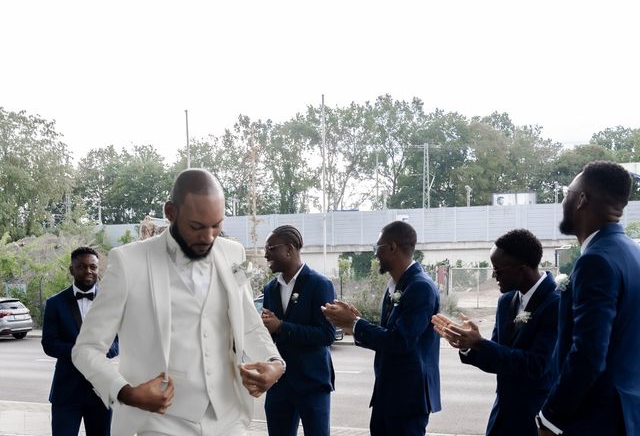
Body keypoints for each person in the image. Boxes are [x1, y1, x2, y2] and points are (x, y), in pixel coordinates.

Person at [72, 168, 284, 436]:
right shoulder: (128, 263)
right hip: (159, 422)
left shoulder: (233, 253)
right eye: (196, 226)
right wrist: (127, 393)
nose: (208, 237)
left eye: (216, 226)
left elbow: (248, 325)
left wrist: (275, 363)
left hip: (228, 418)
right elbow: (86, 349)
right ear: (170, 212)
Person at [537, 161, 640, 435]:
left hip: (597, 418)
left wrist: (550, 416)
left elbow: (589, 353)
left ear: (581, 199)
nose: (564, 200)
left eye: (566, 193)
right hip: (628, 412)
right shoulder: (632, 252)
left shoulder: (596, 261)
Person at [432, 229, 559, 436]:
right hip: (502, 416)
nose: (493, 275)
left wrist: (480, 343)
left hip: (535, 418)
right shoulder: (506, 300)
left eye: (498, 270)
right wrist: (467, 346)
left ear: (522, 269)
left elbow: (537, 366)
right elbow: (496, 358)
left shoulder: (556, 303)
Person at [322, 220, 441, 436]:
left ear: (393, 247)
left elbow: (400, 341)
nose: (375, 254)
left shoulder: (420, 287)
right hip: (387, 394)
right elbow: (388, 334)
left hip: (408, 398)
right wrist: (355, 322)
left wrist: (355, 324)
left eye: (378, 248)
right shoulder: (396, 285)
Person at [261, 225, 336, 436]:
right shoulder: (270, 289)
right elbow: (269, 335)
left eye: (270, 248)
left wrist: (282, 327)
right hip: (279, 384)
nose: (266, 254)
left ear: (289, 249)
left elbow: (327, 335)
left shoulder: (319, 284)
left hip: (312, 383)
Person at [42, 246, 119, 436]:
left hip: (100, 390)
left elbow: (116, 343)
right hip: (66, 392)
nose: (88, 271)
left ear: (98, 268)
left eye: (93, 267)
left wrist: (97, 352)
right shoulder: (55, 303)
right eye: (82, 267)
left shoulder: (111, 301)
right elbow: (49, 344)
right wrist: (81, 352)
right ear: (72, 270)